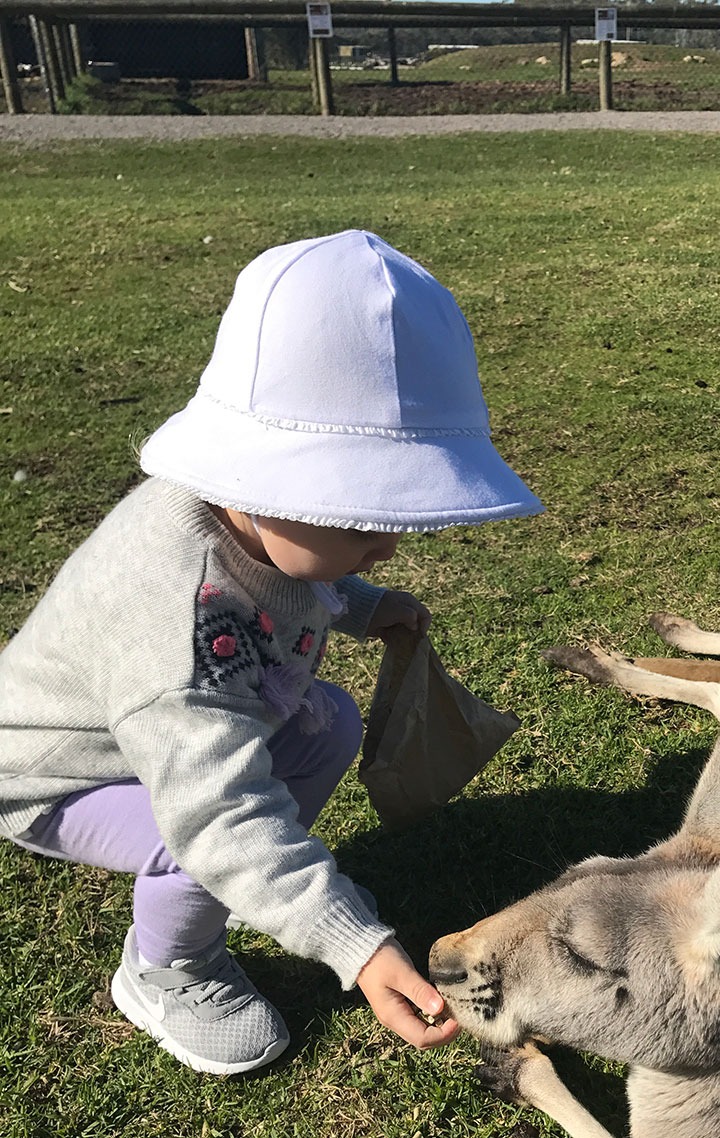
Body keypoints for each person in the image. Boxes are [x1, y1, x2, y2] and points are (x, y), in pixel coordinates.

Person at [0, 230, 543, 1075]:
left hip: (155, 728)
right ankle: (165, 968)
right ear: (265, 487)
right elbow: (218, 812)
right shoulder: (174, 626)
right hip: (55, 775)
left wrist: (361, 604)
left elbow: (292, 583)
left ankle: (233, 896)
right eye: (363, 520)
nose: (386, 546)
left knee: (324, 721)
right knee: (201, 842)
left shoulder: (250, 522)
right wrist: (355, 944)